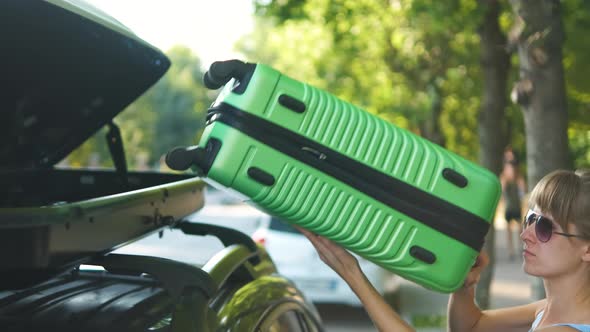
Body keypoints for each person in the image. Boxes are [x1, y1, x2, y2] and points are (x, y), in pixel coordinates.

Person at [297, 169, 590, 331]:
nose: (526, 234)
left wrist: (352, 274)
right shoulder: (548, 310)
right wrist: (464, 285)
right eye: (530, 219)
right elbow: (471, 326)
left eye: (544, 228)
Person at [500, 149, 527, 260]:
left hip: (516, 205)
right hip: (509, 205)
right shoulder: (504, 174)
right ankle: (510, 250)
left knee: (520, 227)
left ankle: (520, 247)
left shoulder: (517, 173)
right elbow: (502, 189)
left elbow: (523, 189)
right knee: (509, 228)